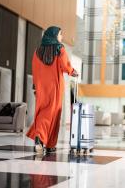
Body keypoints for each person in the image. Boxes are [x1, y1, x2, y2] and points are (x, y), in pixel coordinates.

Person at [26, 26, 78, 154]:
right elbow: (65, 65)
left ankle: (45, 141)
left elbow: (35, 69)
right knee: (54, 114)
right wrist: (73, 72)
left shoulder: (37, 51)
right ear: (54, 36)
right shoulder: (60, 49)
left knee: (43, 112)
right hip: (55, 87)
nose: (61, 37)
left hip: (41, 87)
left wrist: (35, 86)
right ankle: (45, 141)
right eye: (60, 34)